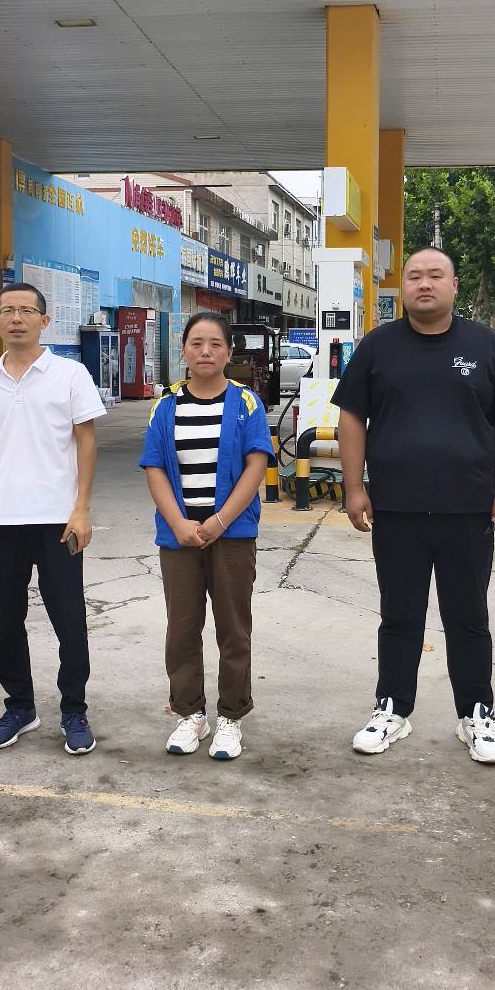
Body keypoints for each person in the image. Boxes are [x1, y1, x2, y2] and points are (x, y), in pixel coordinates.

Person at [332, 248, 495, 764]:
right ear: (402, 286)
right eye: (415, 276)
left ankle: (476, 715)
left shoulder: (485, 346)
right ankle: (392, 709)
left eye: (435, 275)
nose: (424, 284)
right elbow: (352, 418)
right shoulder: (377, 347)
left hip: (468, 509)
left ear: (454, 285)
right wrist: (354, 488)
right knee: (399, 616)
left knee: (468, 618)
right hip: (395, 509)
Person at [0, 282, 106, 755]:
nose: (16, 318)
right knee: (7, 620)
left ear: (45, 320)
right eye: (8, 311)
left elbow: (86, 442)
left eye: (26, 310)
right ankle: (20, 707)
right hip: (1, 520)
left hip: (58, 520)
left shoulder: (70, 374)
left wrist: (81, 509)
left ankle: (74, 710)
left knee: (70, 620)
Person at [140, 312, 272, 761]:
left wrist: (220, 521)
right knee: (182, 627)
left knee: (233, 627)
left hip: (232, 535)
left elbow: (256, 466)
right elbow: (155, 467)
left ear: (229, 352)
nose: (206, 352)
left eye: (216, 343)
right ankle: (189, 713)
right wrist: (179, 524)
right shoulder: (165, 406)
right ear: (183, 350)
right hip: (178, 537)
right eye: (196, 343)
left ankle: (231, 716)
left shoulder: (247, 403)